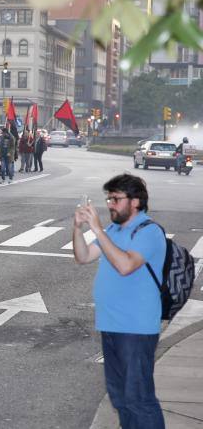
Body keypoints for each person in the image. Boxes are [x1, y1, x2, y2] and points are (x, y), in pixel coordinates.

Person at [72, 174, 166, 428]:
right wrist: (77, 228)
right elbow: (82, 256)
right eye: (109, 198)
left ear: (135, 202)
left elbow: (126, 265)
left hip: (136, 329)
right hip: (111, 325)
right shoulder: (113, 230)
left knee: (138, 398)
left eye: (116, 199)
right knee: (121, 398)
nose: (110, 204)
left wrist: (97, 229)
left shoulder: (149, 231)